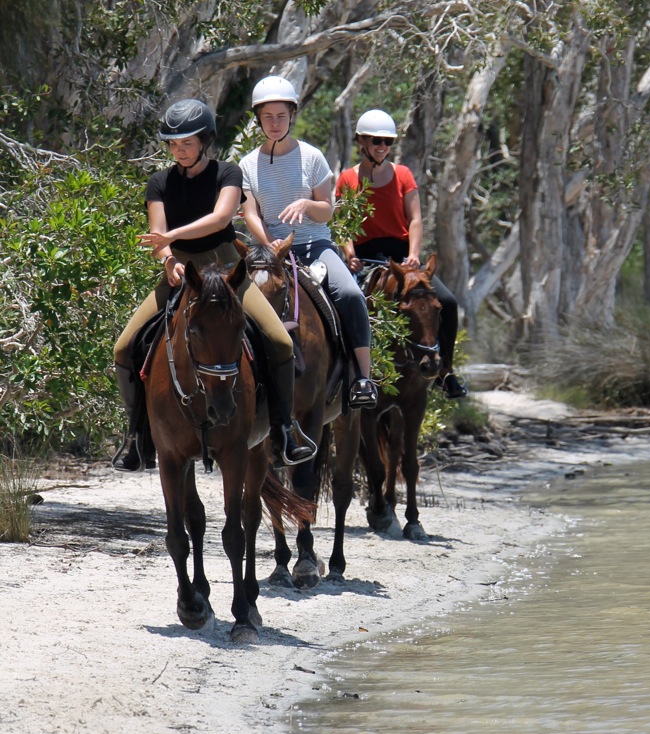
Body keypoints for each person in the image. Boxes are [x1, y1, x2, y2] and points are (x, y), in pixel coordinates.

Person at [112, 97, 316, 471]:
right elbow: (158, 237)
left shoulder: (228, 173)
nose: (180, 150)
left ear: (204, 141)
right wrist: (169, 259)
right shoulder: (159, 183)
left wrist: (170, 236)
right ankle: (136, 437)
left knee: (280, 341)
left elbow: (220, 217)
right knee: (124, 347)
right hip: (181, 274)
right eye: (174, 144)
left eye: (187, 142)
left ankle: (285, 430)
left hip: (227, 271)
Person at [239, 76, 378, 409]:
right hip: (269, 252)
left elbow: (327, 210)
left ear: (291, 116)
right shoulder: (245, 165)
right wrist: (271, 242)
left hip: (315, 246)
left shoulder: (312, 157)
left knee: (350, 293)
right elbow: (249, 214)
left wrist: (306, 205)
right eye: (268, 116)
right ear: (258, 119)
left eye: (281, 116)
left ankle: (362, 377)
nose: (275, 123)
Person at [337, 108, 468, 399]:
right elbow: (343, 223)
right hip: (365, 255)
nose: (382, 147)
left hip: (402, 255)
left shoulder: (403, 175)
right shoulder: (347, 178)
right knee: (344, 302)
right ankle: (342, 373)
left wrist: (413, 254)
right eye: (376, 141)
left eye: (387, 142)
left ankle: (445, 371)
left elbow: (415, 219)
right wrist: (348, 253)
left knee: (446, 300)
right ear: (362, 141)